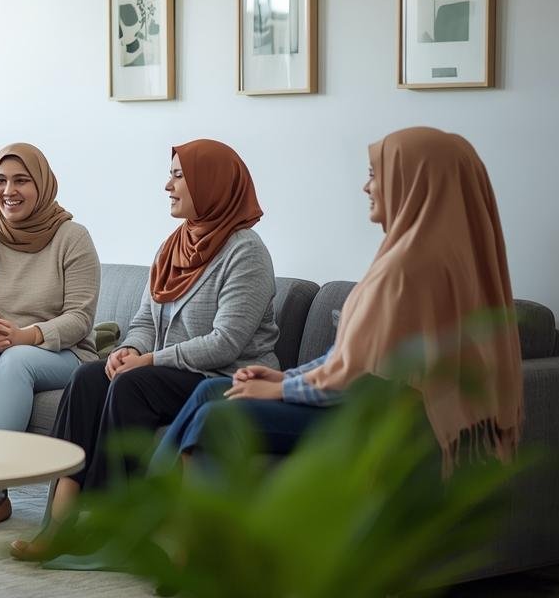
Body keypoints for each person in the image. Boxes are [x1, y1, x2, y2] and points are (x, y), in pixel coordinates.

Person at [148, 127, 522, 472]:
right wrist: (287, 375)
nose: (366, 187)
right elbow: (348, 357)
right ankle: (153, 514)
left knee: (216, 417)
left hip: (366, 415)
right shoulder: (407, 255)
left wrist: (280, 389)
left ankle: (184, 532)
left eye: (376, 174)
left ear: (414, 182)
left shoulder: (414, 270)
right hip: (344, 399)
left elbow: (364, 377)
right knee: (210, 390)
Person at [13, 139, 278, 559]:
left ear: (210, 184)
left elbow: (226, 343)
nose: (167, 186)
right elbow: (143, 322)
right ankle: (59, 523)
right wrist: (127, 350)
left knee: (134, 384)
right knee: (88, 377)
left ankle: (109, 525)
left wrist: (147, 360)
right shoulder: (174, 246)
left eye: (178, 176)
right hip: (167, 373)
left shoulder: (246, 252)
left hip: (224, 379)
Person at [0, 143, 100, 533]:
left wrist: (24, 336)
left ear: (43, 184)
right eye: (0, 180)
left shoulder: (72, 237)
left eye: (21, 180)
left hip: (61, 353)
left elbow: (80, 319)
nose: (8, 190)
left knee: (16, 362)